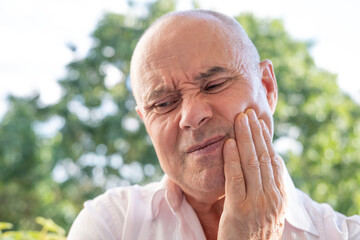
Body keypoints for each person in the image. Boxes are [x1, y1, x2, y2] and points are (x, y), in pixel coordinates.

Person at [67, 10, 360, 239]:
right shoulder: (112, 226)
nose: (191, 116)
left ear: (267, 87)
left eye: (214, 84)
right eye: (165, 104)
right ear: (147, 124)